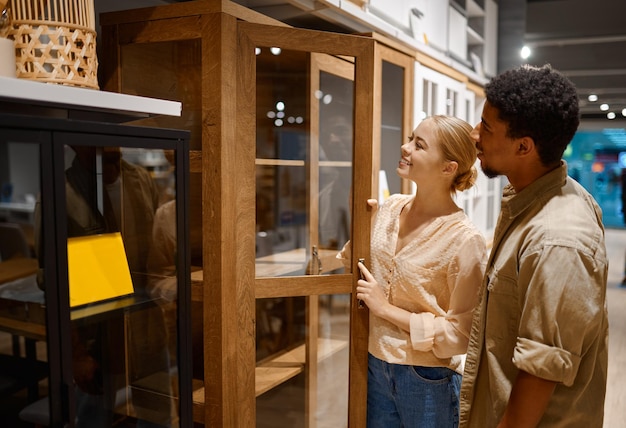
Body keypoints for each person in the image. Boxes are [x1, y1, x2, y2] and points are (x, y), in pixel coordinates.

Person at [459, 64, 609, 427]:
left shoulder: (558, 240)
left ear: (524, 146)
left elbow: (540, 371)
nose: (475, 136)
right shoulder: (533, 198)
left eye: (487, 128)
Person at [340, 115, 487, 427]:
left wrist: (386, 309)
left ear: (448, 168)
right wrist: (362, 222)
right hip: (372, 362)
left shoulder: (465, 239)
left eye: (419, 145)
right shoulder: (390, 207)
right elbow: (354, 267)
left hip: (427, 377)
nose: (405, 148)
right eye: (410, 138)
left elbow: (461, 335)